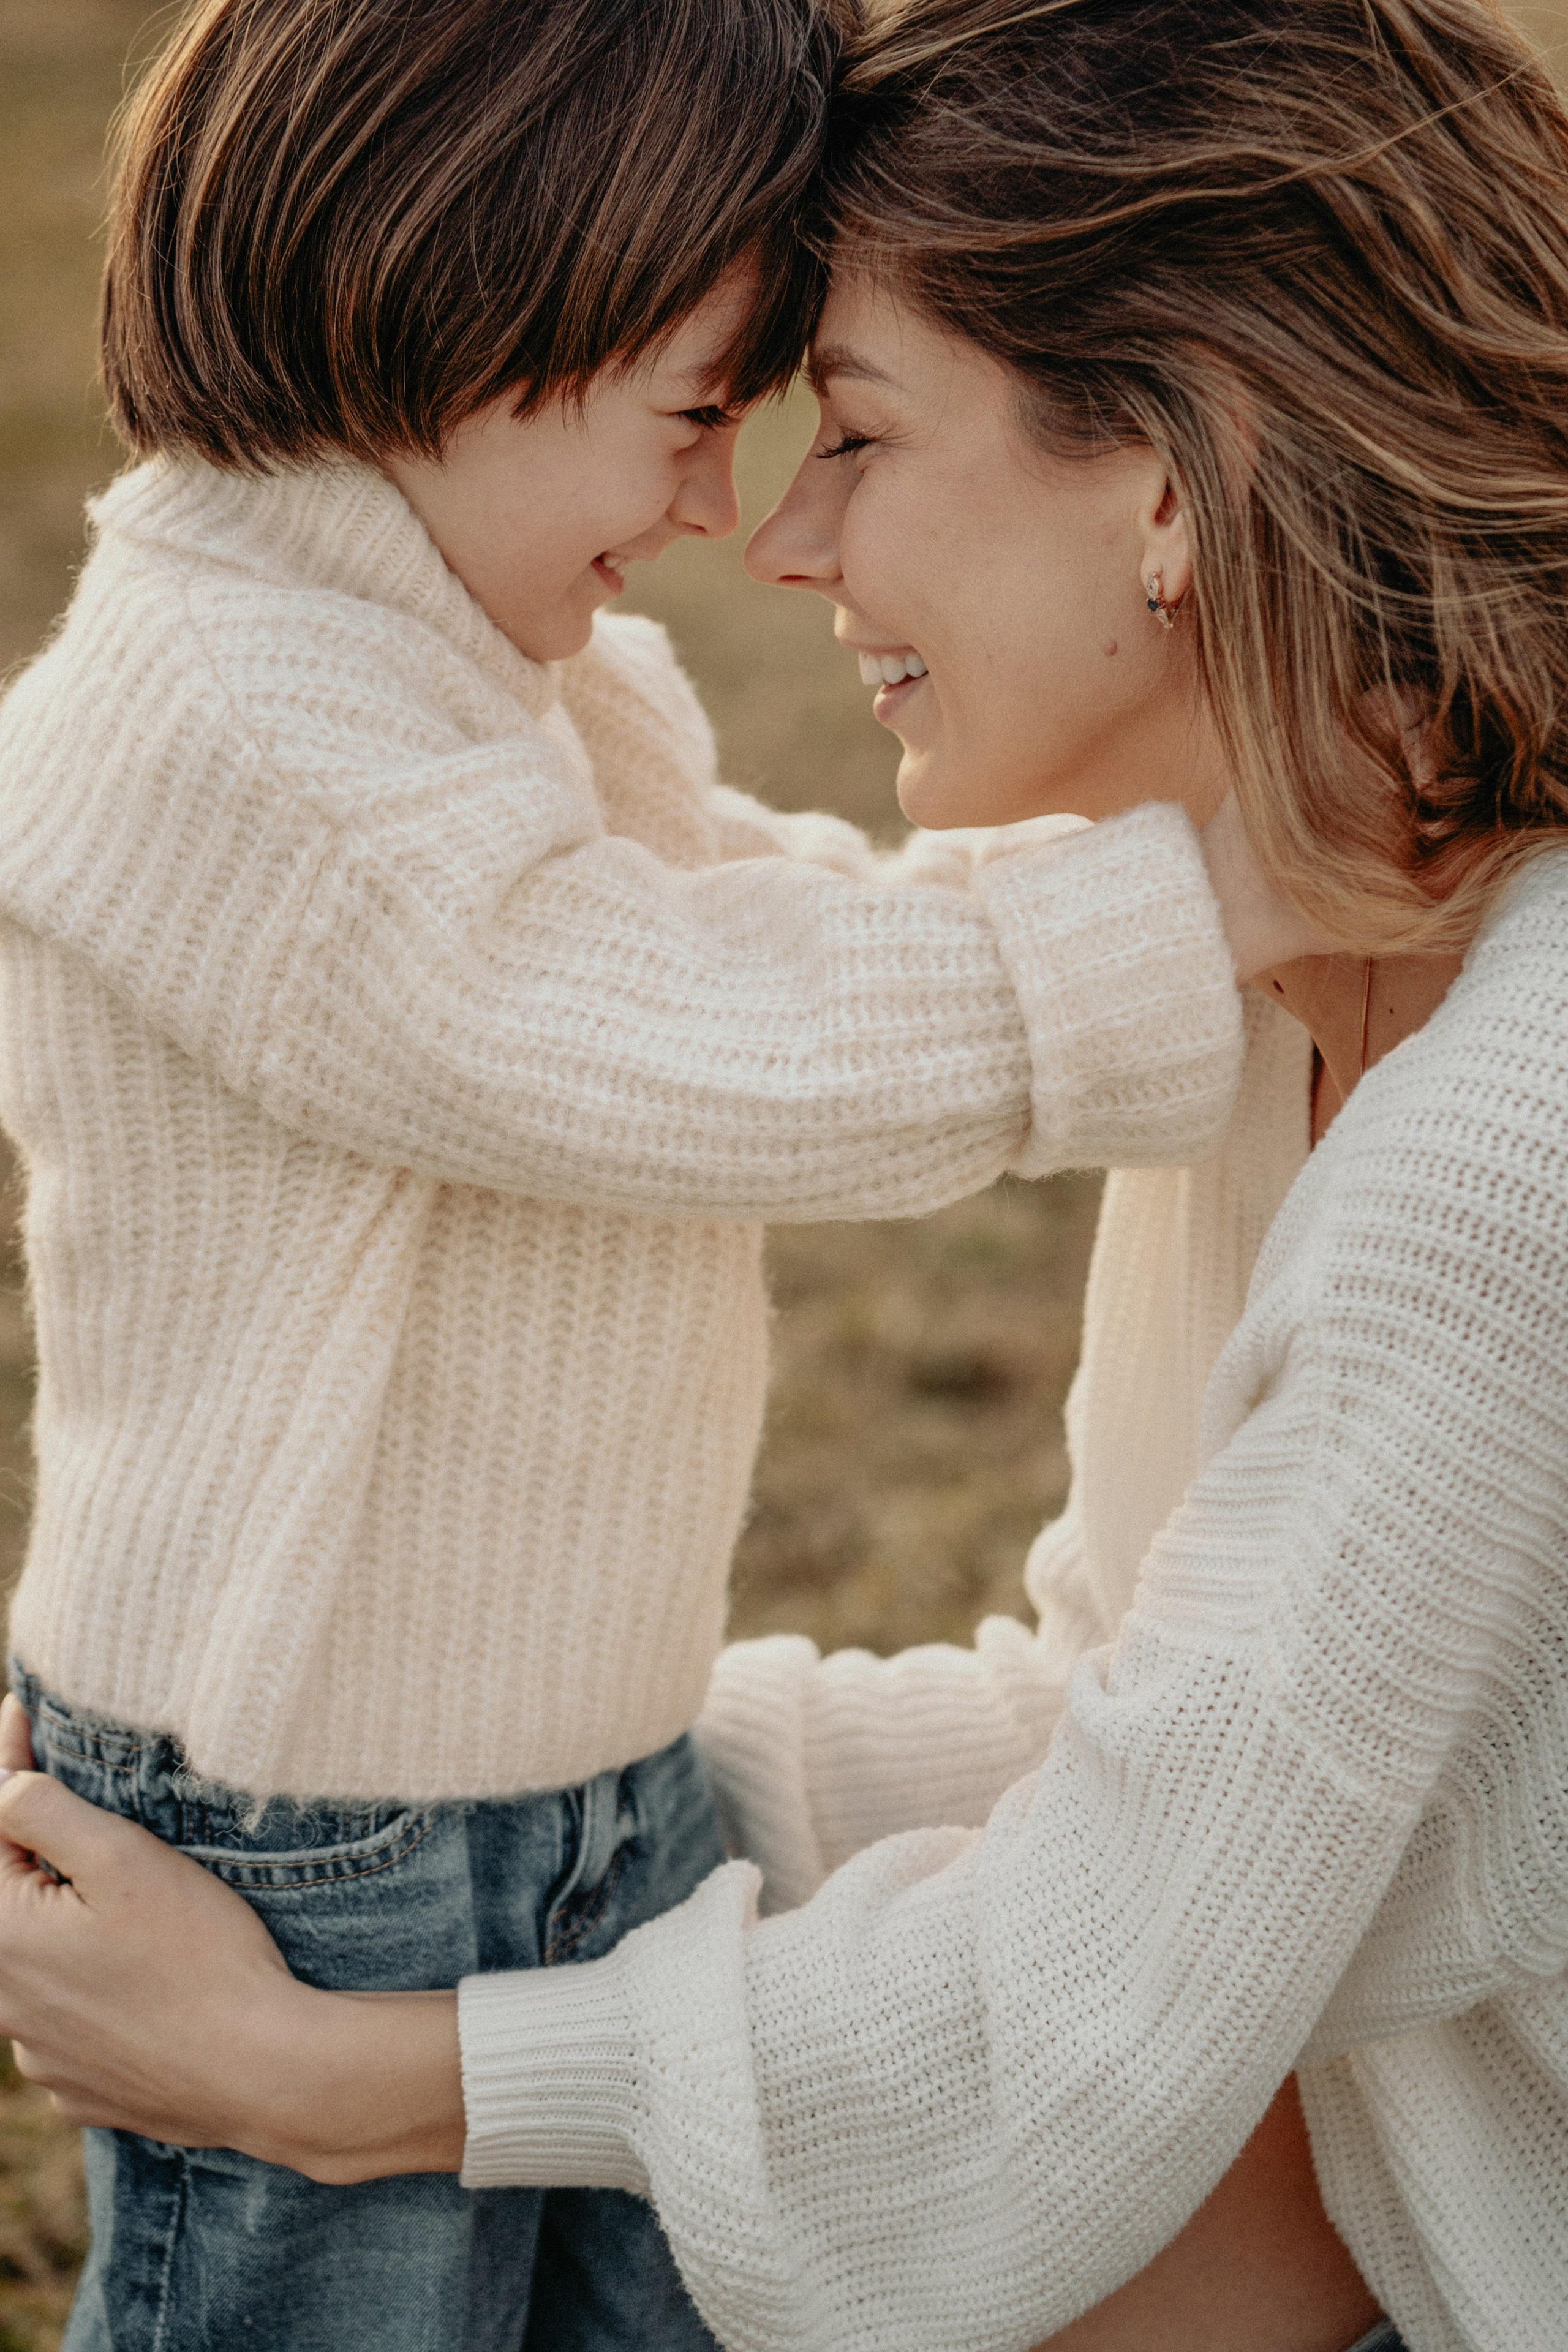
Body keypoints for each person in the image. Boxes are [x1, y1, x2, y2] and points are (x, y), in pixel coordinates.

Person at [12, 0, 1566, 2346]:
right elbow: (1132, 1727)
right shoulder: (1300, 989)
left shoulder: (1497, 1147)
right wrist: (494, 1783)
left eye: (847, 430)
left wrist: (348, 2064)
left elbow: (1094, 2006)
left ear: (1168, 481)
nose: (777, 532)